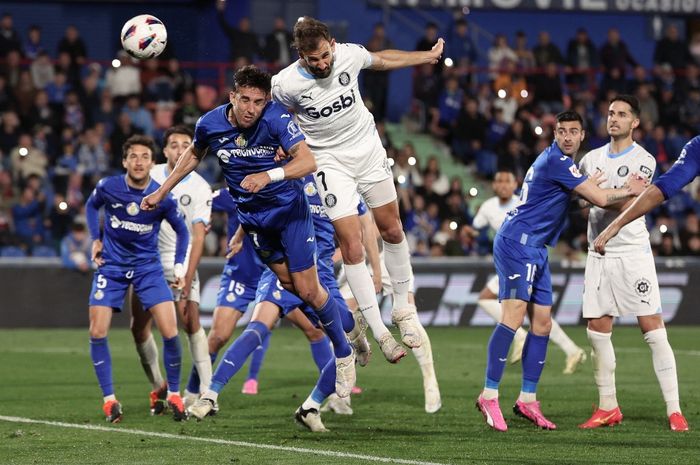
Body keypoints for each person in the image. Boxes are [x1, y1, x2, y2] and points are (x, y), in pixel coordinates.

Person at [141, 65, 356, 398]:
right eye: (245, 100)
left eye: (258, 101)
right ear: (233, 96)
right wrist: (161, 191)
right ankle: (354, 331)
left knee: (309, 290)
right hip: (256, 223)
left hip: (290, 216)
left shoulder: (275, 118)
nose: (251, 109)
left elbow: (308, 162)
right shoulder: (209, 123)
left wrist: (269, 176)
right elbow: (193, 156)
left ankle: (347, 348)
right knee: (293, 286)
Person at [271, 16, 444, 362]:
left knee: (392, 229)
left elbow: (383, 59)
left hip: (367, 151)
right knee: (352, 245)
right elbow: (278, 115)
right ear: (300, 56)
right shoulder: (285, 83)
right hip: (329, 163)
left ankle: (402, 309)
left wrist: (425, 57)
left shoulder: (349, 55)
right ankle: (379, 330)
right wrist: (281, 141)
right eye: (312, 60)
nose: (320, 64)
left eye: (323, 56)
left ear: (332, 44)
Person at [475, 111, 647, 432]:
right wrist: (630, 189)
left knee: (542, 324)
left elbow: (576, 202)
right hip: (517, 243)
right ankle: (489, 394)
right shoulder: (557, 160)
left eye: (573, 132)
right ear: (554, 134)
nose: (567, 137)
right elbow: (597, 198)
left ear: (582, 136)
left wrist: (592, 192)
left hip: (537, 248)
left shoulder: (561, 165)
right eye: (562, 131)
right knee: (512, 318)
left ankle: (527, 400)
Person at [187, 175, 365, 432]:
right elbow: (254, 204)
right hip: (285, 270)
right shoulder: (286, 175)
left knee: (349, 338)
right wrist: (239, 233)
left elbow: (362, 229)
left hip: (322, 276)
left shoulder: (340, 183)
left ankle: (312, 406)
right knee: (256, 327)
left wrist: (371, 272)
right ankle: (209, 394)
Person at [577, 95, 688, 432]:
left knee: (652, 327)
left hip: (632, 252)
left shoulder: (644, 159)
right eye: (611, 113)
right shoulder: (590, 159)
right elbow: (583, 199)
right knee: (597, 329)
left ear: (635, 122)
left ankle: (674, 409)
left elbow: (633, 202)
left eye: (622, 114)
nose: (614, 118)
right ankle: (608, 407)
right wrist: (612, 192)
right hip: (599, 253)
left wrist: (597, 193)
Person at [85, 135, 189, 423]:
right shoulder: (109, 187)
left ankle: (175, 395)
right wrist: (95, 240)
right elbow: (91, 206)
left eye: (145, 156)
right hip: (112, 266)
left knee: (170, 331)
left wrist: (179, 266)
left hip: (148, 268)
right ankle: (109, 400)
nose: (139, 161)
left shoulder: (161, 197)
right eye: (133, 156)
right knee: (97, 331)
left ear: (152, 162)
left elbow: (183, 231)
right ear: (124, 161)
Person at [128, 126, 213, 415]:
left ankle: (207, 394)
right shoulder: (148, 176)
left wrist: (188, 276)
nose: (179, 150)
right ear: (164, 151)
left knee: (190, 323)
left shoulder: (200, 187)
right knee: (139, 327)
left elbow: (199, 237)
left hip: (182, 263)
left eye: (185, 145)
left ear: (193, 149)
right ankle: (158, 386)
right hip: (147, 263)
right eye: (173, 145)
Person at [471, 171, 586, 372]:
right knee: (535, 313)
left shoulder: (523, 202)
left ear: (515, 183)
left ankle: (521, 335)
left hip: (524, 260)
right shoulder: (488, 207)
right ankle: (571, 350)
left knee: (492, 300)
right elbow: (475, 228)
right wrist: (467, 232)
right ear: (494, 185)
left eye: (508, 180)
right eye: (499, 181)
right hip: (508, 262)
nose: (503, 185)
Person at [336, 200, 441, 414]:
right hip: (353, 255)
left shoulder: (367, 177)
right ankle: (338, 394)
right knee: (342, 319)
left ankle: (430, 382)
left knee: (408, 315)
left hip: (385, 254)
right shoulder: (328, 180)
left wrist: (374, 269)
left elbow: (377, 225)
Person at [186, 187, 268, 398]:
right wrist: (198, 223)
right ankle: (193, 391)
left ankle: (336, 394)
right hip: (240, 274)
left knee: (314, 330)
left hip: (274, 274)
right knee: (218, 337)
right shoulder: (233, 191)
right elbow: (201, 202)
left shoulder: (284, 187)